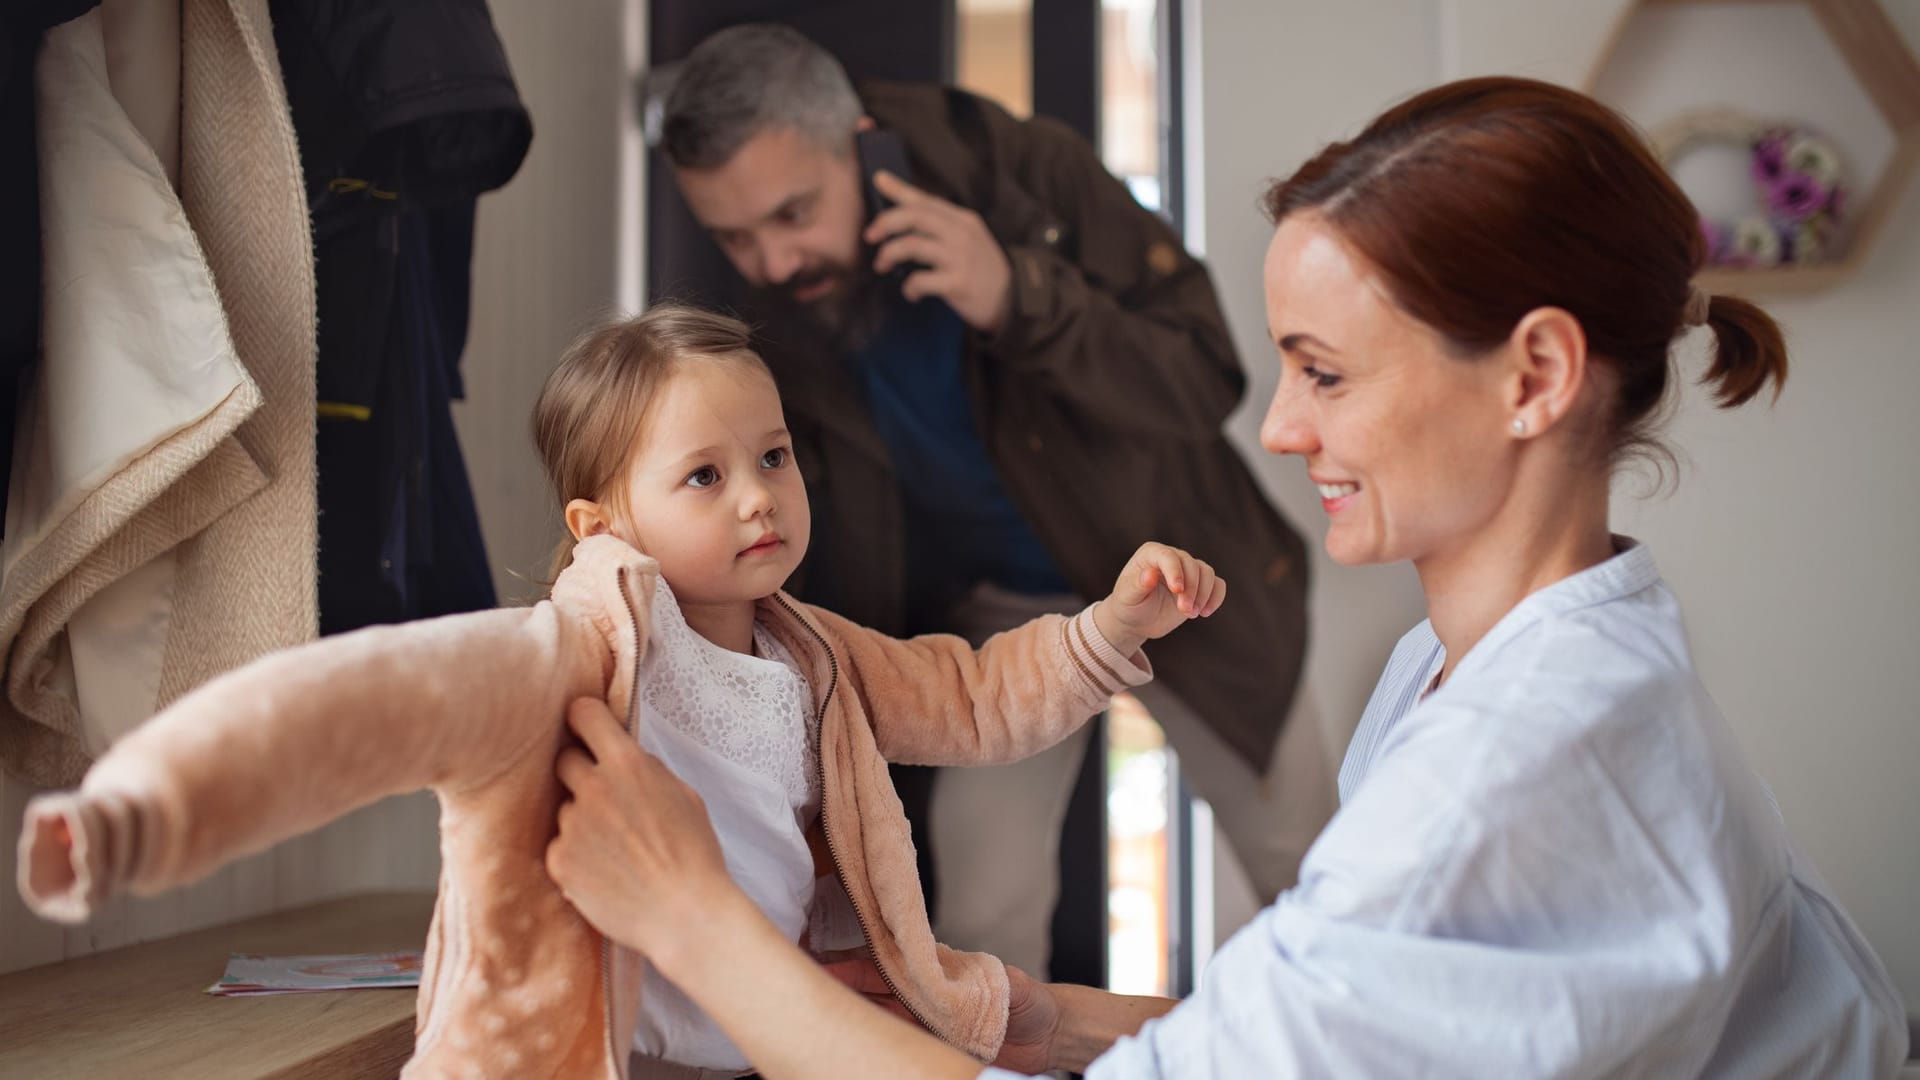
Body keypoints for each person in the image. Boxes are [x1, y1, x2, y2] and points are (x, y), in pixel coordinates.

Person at [544, 77, 1912, 1077]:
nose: (1278, 427)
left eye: (1323, 372)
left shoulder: (1506, 776)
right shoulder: (1500, 663)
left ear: (1536, 376)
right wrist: (1042, 1015)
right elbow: (1318, 1006)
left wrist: (695, 923)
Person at [17, 303, 1227, 1077]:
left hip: (774, 1034)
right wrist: (144, 810)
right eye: (704, 475)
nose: (760, 495)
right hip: (604, 1048)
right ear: (604, 521)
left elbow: (971, 697)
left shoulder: (814, 651)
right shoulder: (569, 651)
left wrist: (1109, 627)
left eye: (774, 456)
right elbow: (353, 703)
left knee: (1010, 1017)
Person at [655, 23, 1329, 980]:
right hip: (994, 624)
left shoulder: (1028, 171)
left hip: (1185, 581)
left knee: (1309, 874)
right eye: (735, 235)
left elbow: (1203, 374)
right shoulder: (762, 302)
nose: (769, 261)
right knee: (979, 923)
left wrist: (1021, 294)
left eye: (794, 213)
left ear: (862, 135)